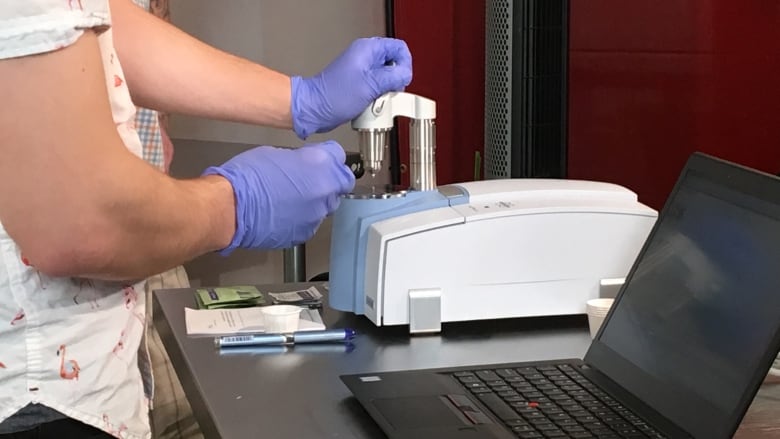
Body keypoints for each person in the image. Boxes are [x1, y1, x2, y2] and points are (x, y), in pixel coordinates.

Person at [0, 0, 413, 438]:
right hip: (35, 396)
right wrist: (235, 205)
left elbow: (100, 29)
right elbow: (78, 226)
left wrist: (300, 99)